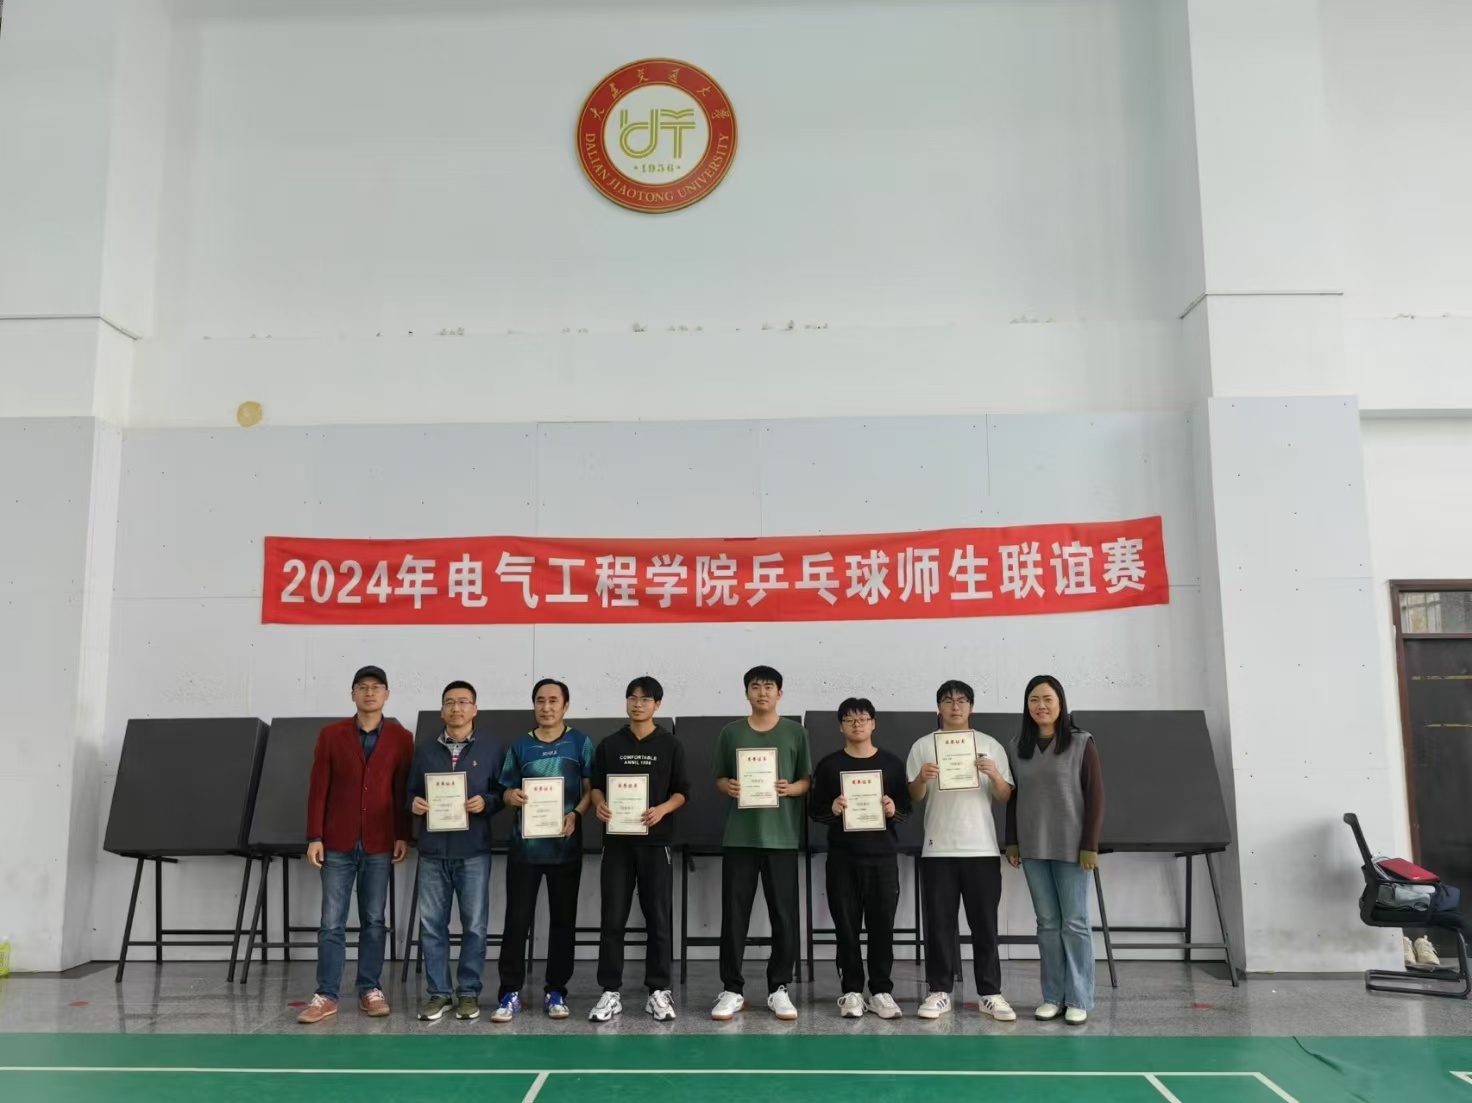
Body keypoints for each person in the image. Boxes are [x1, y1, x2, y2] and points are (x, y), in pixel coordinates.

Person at [297, 665, 412, 1024]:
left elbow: (401, 790)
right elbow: (319, 788)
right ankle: (326, 995)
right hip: (337, 842)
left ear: (387, 694)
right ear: (353, 694)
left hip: (379, 841)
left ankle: (369, 989)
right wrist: (315, 836)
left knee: (374, 919)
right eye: (362, 687)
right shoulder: (331, 735)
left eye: (377, 687)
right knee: (331, 921)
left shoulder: (401, 737)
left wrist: (402, 834)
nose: (369, 693)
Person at [906, 679, 1016, 1022]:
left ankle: (990, 993)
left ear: (971, 707)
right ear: (938, 706)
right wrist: (921, 779)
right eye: (948, 701)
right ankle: (939, 991)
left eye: (962, 701)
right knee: (939, 924)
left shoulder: (989, 745)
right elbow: (913, 796)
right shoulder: (923, 746)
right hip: (938, 848)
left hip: (981, 847)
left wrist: (994, 774)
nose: (955, 707)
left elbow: (1006, 795)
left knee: (985, 925)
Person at [712, 665, 812, 1022]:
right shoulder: (731, 732)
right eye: (755, 687)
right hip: (740, 837)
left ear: (779, 693)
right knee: (734, 916)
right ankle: (731, 988)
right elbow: (720, 777)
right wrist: (728, 786)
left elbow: (806, 781)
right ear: (747, 693)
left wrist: (791, 788)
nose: (762, 692)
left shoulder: (795, 732)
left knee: (784, 916)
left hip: (781, 838)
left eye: (769, 687)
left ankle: (779, 987)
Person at [587, 675, 690, 1023]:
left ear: (657, 705)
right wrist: (599, 804)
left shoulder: (670, 745)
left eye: (645, 699)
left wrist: (662, 810)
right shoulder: (610, 744)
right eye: (632, 698)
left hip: (656, 843)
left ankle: (658, 990)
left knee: (658, 919)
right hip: (617, 843)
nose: (637, 704)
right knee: (612, 919)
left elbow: (682, 791)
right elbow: (596, 786)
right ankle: (610, 991)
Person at [491, 678, 594, 1023]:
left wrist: (576, 814)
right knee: (516, 921)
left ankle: (556, 991)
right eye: (540, 700)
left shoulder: (580, 743)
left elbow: (590, 790)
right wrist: (512, 797)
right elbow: (505, 791)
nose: (546, 707)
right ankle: (509, 992)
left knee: (563, 921)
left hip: (565, 848)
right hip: (525, 851)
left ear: (566, 706)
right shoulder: (520, 746)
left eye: (553, 700)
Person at [1004, 675, 1104, 1026]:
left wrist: (1090, 845)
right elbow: (1013, 797)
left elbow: (1095, 797)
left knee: (1074, 923)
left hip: (1072, 847)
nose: (1041, 706)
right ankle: (1052, 997)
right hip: (1033, 846)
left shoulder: (1081, 742)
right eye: (1034, 699)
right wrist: (1012, 841)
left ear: (1060, 702)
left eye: (1048, 699)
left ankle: (1078, 998)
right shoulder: (1017, 746)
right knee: (1047, 923)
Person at [406, 680, 505, 1022]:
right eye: (449, 702)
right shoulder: (424, 750)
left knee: (474, 926)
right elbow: (409, 792)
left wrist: (486, 802)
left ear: (475, 709)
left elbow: (502, 794)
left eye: (463, 702)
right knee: (432, 926)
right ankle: (438, 993)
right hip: (433, 851)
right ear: (442, 710)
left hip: (473, 850)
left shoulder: (492, 748)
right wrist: (414, 804)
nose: (456, 708)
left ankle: (468, 993)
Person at [808, 697, 911, 1019]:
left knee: (882, 927)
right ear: (841, 726)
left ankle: (881, 991)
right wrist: (832, 809)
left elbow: (907, 809)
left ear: (873, 723)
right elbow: (815, 811)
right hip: (843, 858)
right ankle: (851, 990)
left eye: (863, 719)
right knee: (846, 927)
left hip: (882, 858)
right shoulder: (829, 765)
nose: (857, 724)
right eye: (850, 720)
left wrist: (893, 810)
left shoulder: (892, 764)